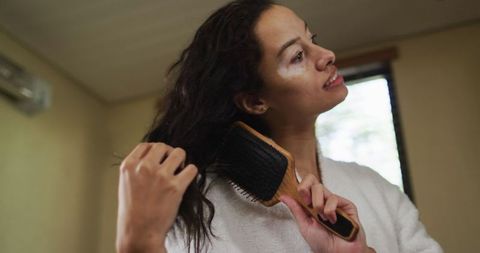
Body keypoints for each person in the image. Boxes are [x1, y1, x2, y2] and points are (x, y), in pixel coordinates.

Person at [115, 0, 443, 252]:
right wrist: (136, 243)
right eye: (297, 56)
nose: (327, 54)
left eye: (313, 39)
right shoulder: (200, 208)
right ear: (255, 100)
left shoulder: (379, 192)